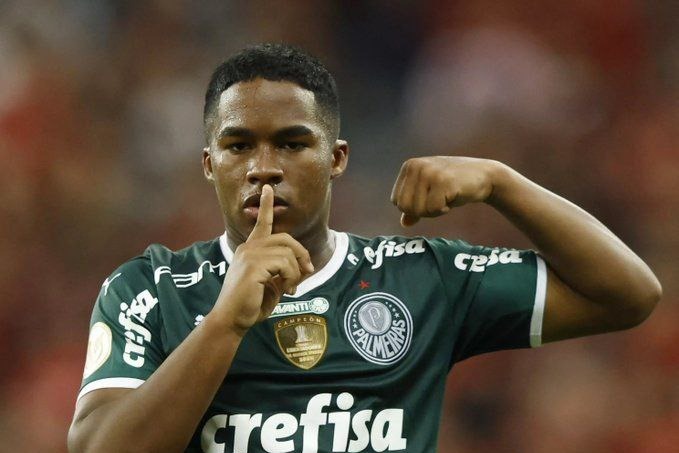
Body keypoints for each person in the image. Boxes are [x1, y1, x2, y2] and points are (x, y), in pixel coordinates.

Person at [67, 43, 661, 453]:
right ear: (208, 163)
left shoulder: (422, 278)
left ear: (337, 159)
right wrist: (224, 324)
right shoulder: (151, 289)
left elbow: (628, 293)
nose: (264, 168)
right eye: (239, 146)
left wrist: (501, 183)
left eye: (292, 144)